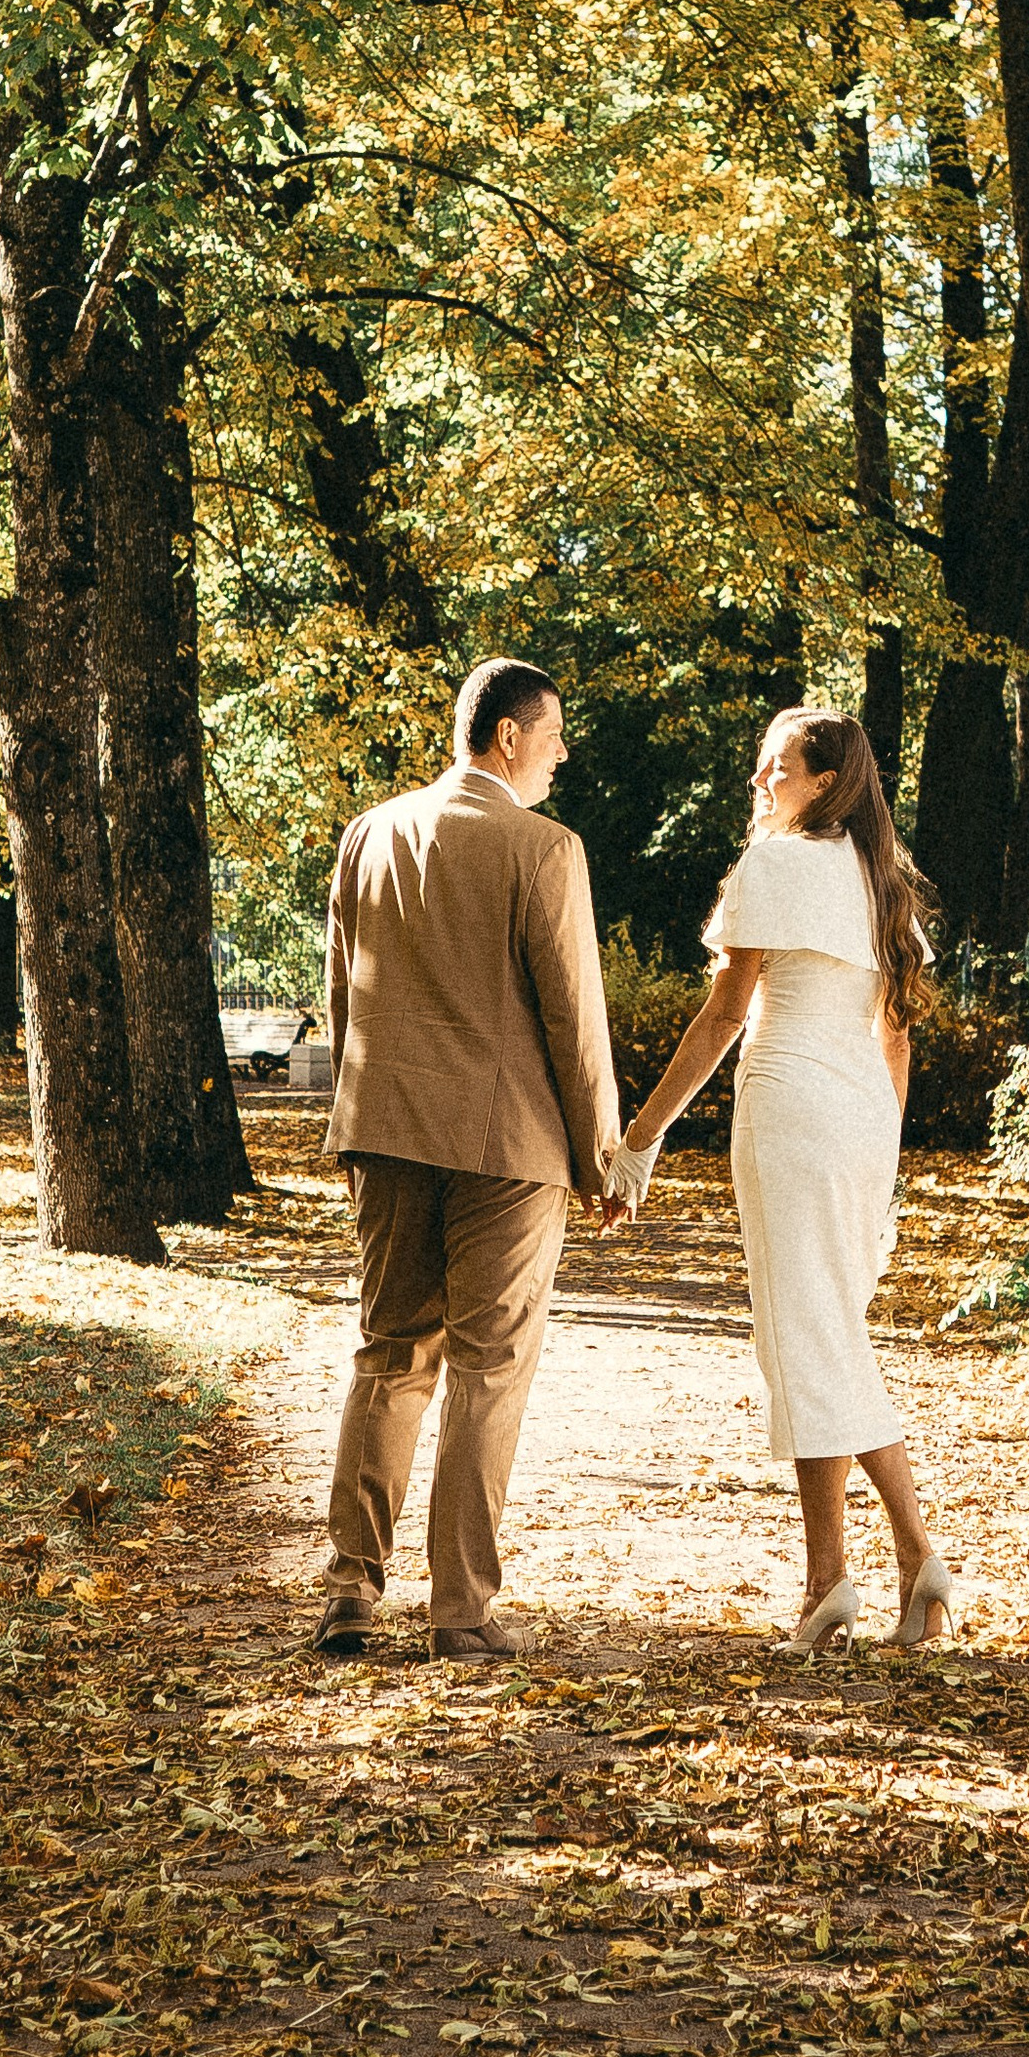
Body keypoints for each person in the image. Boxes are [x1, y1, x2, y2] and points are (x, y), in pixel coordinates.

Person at [607, 709, 956, 1653]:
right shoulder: (883, 885)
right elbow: (898, 1037)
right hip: (858, 1125)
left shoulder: (775, 865)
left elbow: (724, 1015)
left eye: (778, 769)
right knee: (818, 1337)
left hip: (793, 1109)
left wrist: (641, 1135)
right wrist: (883, 1161)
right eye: (761, 768)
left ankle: (897, 1556)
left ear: (827, 781)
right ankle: (839, 1578)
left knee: (807, 1338)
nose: (760, 782)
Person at [315, 656, 620, 1663]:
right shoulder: (543, 848)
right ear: (505, 738)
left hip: (389, 1130)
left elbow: (343, 997)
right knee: (487, 1372)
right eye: (555, 731)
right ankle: (458, 1610)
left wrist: (350, 1127)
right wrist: (600, 1157)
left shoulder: (370, 833)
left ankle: (352, 1589)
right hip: (507, 1146)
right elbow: (574, 1017)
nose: (565, 752)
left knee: (389, 1356)